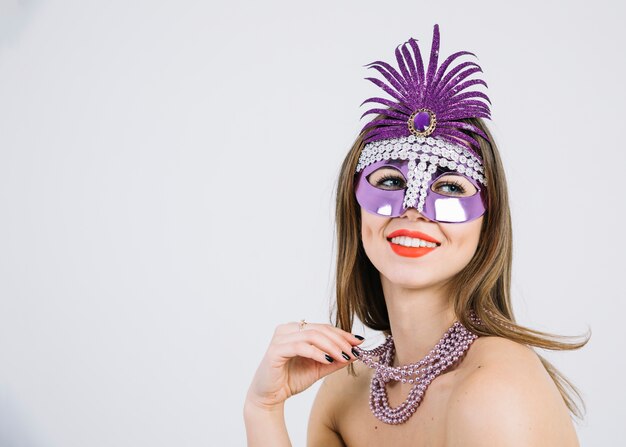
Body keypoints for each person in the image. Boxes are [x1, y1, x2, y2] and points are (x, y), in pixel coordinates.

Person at [244, 24, 589, 446]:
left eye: (449, 187)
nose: (413, 209)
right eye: (389, 181)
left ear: (487, 220)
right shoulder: (346, 391)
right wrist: (263, 409)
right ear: (354, 208)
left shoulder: (495, 387)